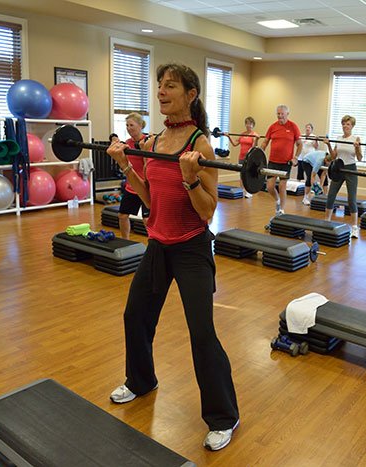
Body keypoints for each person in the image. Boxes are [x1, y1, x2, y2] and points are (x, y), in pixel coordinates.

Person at [106, 63, 239, 451]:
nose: (162, 91)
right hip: (158, 244)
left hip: (192, 248)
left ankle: (224, 417)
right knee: (136, 315)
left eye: (171, 86)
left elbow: (206, 211)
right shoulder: (149, 144)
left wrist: (191, 177)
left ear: (191, 95)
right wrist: (123, 164)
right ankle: (141, 381)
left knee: (201, 334)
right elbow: (149, 199)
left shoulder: (199, 146)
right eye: (159, 85)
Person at [323, 115, 363, 238]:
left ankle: (355, 227)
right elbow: (334, 156)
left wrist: (357, 148)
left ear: (352, 126)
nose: (345, 126)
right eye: (344, 124)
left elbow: (360, 158)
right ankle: (326, 222)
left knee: (351, 199)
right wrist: (329, 145)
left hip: (351, 169)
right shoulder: (339, 138)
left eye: (348, 124)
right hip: (338, 169)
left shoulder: (356, 138)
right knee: (331, 195)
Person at [260, 105, 302, 215]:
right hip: (273, 162)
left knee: (282, 187)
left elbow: (299, 144)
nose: (279, 116)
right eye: (278, 114)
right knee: (269, 187)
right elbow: (265, 142)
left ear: (287, 114)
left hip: (286, 163)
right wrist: (260, 152)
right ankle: (277, 200)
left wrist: (295, 158)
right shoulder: (272, 127)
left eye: (282, 114)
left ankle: (281, 210)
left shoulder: (293, 126)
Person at [117, 113, 150, 239]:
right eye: (127, 125)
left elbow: (150, 166)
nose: (129, 128)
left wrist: (144, 150)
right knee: (122, 215)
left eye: (132, 125)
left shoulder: (147, 142)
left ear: (140, 125)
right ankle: (125, 241)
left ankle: (154, 245)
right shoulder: (127, 143)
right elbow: (124, 164)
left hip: (146, 186)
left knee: (147, 220)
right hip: (131, 186)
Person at [227, 116, 259, 198]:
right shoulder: (242, 134)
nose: (249, 125)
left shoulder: (254, 135)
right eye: (247, 123)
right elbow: (234, 144)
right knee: (242, 174)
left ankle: (249, 191)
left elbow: (254, 147)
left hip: (249, 158)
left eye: (250, 124)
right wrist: (228, 137)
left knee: (247, 175)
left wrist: (257, 140)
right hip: (241, 157)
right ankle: (241, 190)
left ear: (253, 125)